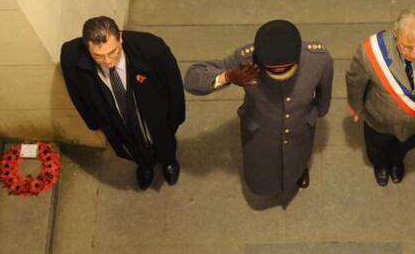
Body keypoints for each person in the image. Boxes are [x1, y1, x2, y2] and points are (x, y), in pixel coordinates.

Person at [184, 20, 333, 195]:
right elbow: (192, 78)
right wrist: (227, 76)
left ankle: (298, 173)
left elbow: (324, 90)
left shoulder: (319, 59)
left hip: (300, 127)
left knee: (298, 155)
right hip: (260, 132)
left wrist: (319, 112)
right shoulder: (244, 59)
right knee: (260, 168)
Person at [60, 16, 185, 190]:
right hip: (114, 114)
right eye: (98, 56)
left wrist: (176, 116)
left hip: (150, 109)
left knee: (162, 138)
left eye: (113, 52)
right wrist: (93, 123)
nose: (108, 61)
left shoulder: (151, 48)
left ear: (120, 37)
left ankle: (169, 161)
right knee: (130, 143)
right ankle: (144, 164)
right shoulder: (70, 56)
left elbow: (174, 84)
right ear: (86, 46)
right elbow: (76, 92)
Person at [347, 8, 415, 186]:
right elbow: (355, 81)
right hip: (379, 119)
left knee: (406, 146)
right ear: (395, 35)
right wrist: (356, 106)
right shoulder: (370, 52)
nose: (414, 53)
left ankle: (397, 161)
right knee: (377, 148)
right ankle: (380, 165)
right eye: (407, 46)